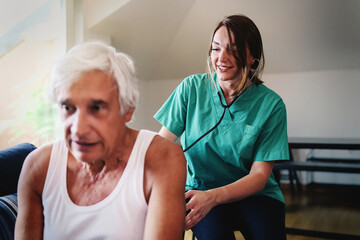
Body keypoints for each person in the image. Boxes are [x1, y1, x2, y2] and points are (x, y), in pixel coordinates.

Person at [15, 42, 186, 240]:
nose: (79, 129)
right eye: (68, 107)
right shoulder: (37, 167)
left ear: (128, 109)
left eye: (96, 108)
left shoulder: (162, 157)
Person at [154, 15, 289, 240]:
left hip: (254, 193)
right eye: (216, 49)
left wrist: (215, 197)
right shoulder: (191, 89)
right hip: (200, 190)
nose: (221, 58)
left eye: (233, 49)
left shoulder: (271, 105)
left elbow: (259, 176)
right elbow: (162, 147)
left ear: (252, 57)